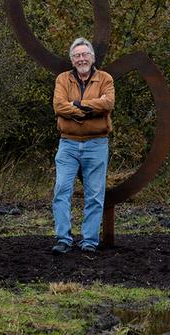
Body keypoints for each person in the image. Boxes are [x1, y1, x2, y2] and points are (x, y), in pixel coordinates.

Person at [51, 37, 115, 254]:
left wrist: (77, 105)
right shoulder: (62, 79)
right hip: (67, 144)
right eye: (77, 55)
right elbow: (59, 106)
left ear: (92, 57)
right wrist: (89, 110)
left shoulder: (105, 78)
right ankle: (63, 238)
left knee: (95, 194)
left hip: (96, 144)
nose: (81, 59)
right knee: (61, 190)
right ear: (72, 59)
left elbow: (108, 103)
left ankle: (89, 241)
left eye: (85, 54)